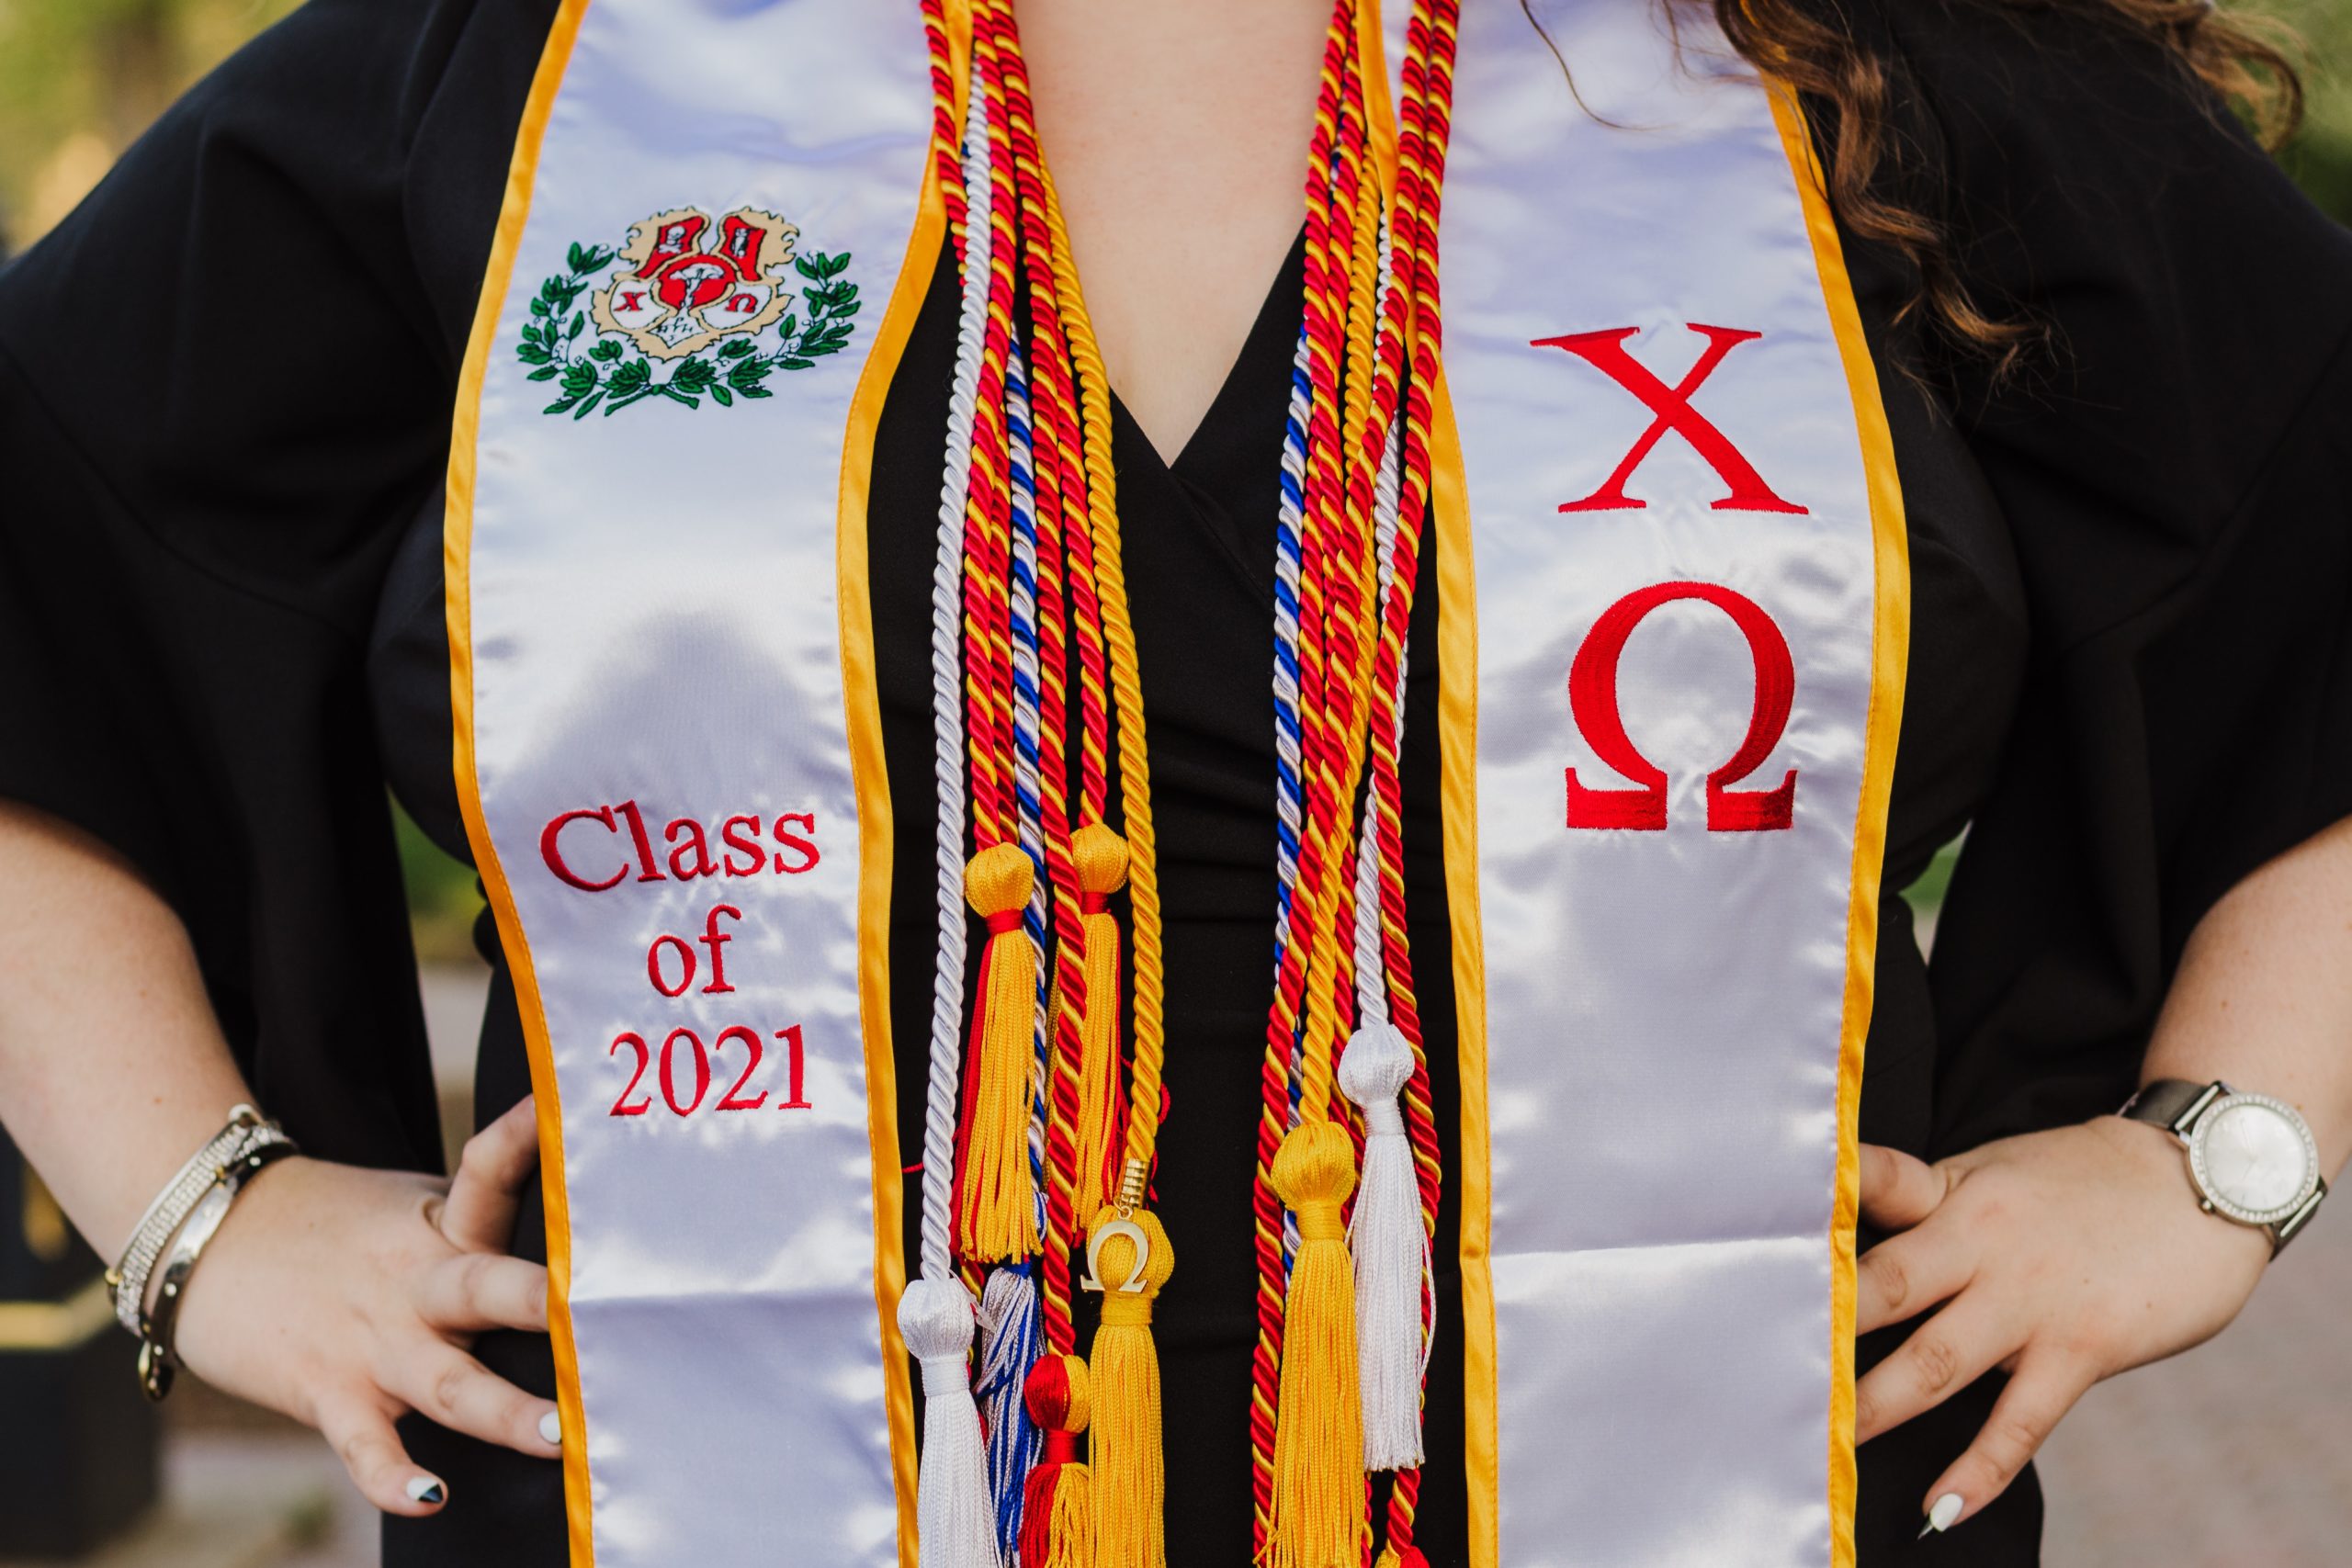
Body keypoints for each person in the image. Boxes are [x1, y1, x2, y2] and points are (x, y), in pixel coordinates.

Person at [1, 0, 2347, 1563]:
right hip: (715, 1482)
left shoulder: (1826, 55)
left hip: (1702, 1477)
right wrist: (200, 1214)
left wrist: (2207, 1169)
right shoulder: (560, 70)